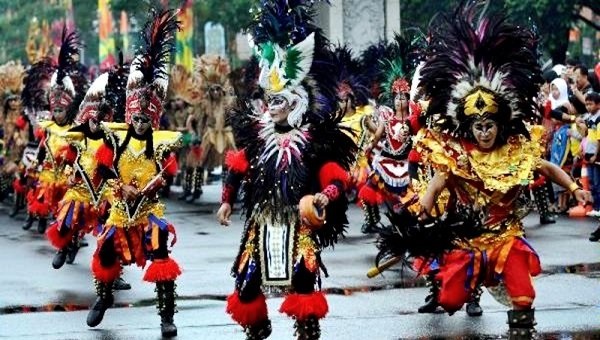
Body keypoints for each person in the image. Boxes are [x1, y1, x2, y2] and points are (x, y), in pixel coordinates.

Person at [392, 3, 592, 338]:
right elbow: (439, 181)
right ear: (470, 126)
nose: (485, 132)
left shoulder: (515, 152)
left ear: (500, 124)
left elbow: (548, 167)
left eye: (490, 125)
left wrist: (574, 189)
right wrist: (423, 208)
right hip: (468, 241)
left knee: (524, 298)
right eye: (478, 125)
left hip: (506, 239)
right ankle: (464, 290)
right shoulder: (458, 155)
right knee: (451, 300)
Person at [217, 1, 356, 339]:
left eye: (279, 100)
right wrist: (226, 200)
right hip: (262, 220)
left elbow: (334, 176)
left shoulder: (313, 139)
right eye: (270, 100)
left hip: (299, 222)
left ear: (296, 102)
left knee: (304, 281)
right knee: (247, 284)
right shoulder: (257, 135)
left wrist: (326, 195)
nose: (272, 107)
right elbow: (237, 167)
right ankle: (258, 326)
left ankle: (307, 331)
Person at [85, 9, 181, 337]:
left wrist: (155, 186)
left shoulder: (160, 143)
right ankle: (104, 298)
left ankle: (167, 316)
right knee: (106, 250)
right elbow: (101, 167)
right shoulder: (115, 138)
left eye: (145, 120)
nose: (140, 124)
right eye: (136, 119)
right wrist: (118, 186)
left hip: (148, 213)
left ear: (152, 120)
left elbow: (169, 173)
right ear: (130, 118)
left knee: (162, 254)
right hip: (120, 211)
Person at [23, 28, 89, 234]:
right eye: (56, 110)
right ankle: (39, 218)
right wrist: (36, 163)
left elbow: (81, 153)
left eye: (61, 110)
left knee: (70, 205)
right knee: (42, 192)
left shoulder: (74, 129)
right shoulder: (49, 128)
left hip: (69, 173)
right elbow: (43, 147)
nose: (58, 113)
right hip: (50, 170)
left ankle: (72, 233)